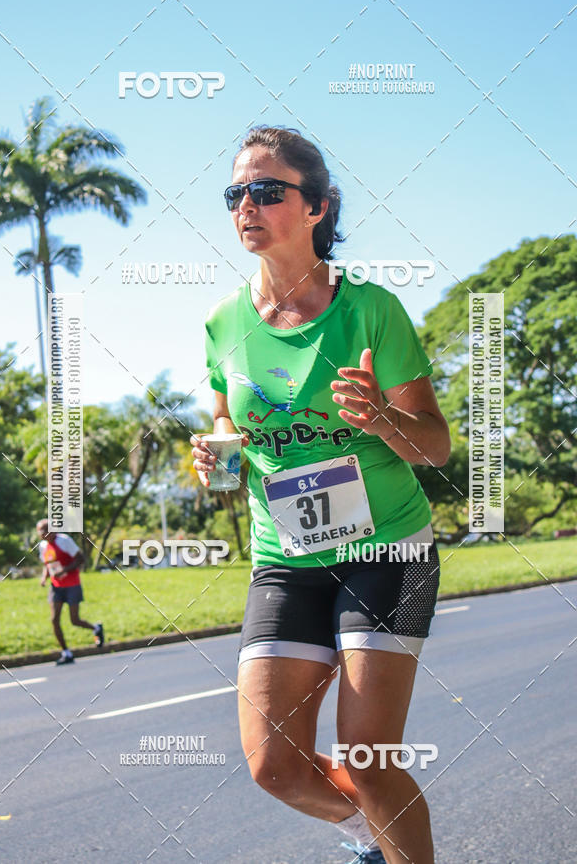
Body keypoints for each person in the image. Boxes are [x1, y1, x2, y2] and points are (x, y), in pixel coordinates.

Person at [190, 127, 450, 864]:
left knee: (368, 758)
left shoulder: (371, 311)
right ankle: (374, 836)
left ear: (317, 208)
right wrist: (217, 453)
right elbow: (224, 423)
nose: (248, 205)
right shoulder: (221, 323)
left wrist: (381, 416)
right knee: (274, 767)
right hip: (286, 556)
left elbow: (434, 445)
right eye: (236, 193)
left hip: (386, 546)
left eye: (268, 191)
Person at [37, 519, 104, 665]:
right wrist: (44, 578)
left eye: (44, 529)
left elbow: (80, 559)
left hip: (72, 584)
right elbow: (47, 565)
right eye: (40, 530)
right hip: (56, 587)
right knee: (54, 620)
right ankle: (66, 653)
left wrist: (64, 571)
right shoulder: (42, 546)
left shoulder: (64, 540)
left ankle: (96, 628)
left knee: (74, 620)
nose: (42, 533)